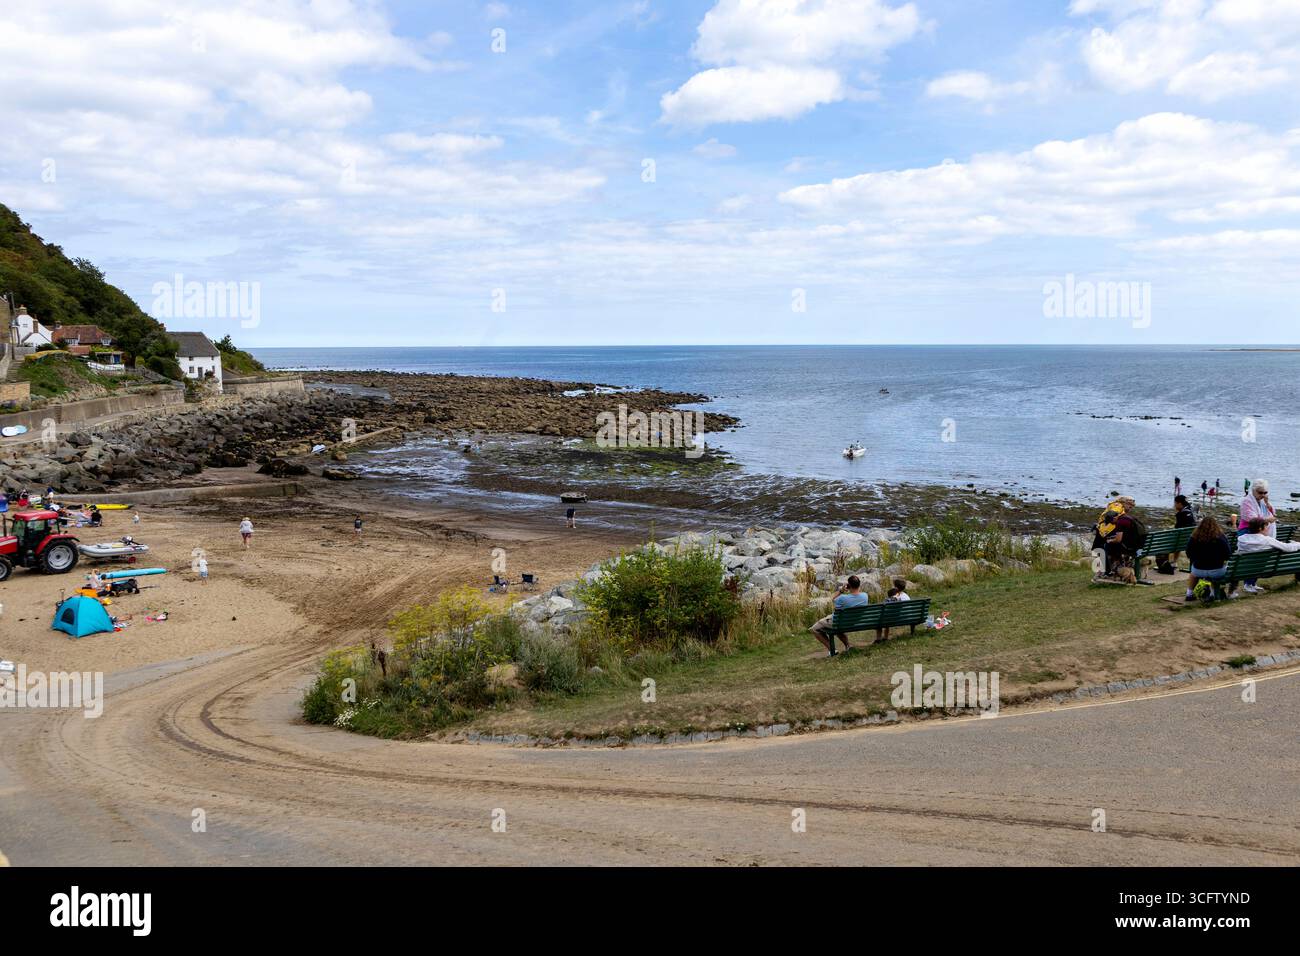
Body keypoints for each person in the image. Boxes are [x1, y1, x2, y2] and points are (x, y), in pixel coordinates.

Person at [1234, 516, 1300, 593]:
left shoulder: (1241, 539)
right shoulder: (1267, 540)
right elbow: (1287, 548)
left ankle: (1250, 584)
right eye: (1266, 527)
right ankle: (1250, 585)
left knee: (1253, 562)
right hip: (1263, 569)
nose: (1267, 528)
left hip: (1242, 568)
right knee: (1257, 563)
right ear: (1260, 528)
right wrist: (1297, 544)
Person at [810, 575, 869, 655]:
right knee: (839, 623)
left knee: (814, 629)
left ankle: (832, 650)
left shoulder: (843, 598)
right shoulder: (865, 596)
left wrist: (841, 591)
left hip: (841, 622)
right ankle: (848, 645)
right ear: (859, 584)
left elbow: (832, 599)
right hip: (855, 621)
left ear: (849, 586)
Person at [1238, 480, 1277, 592]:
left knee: (1260, 558)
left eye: (1265, 492)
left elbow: (1273, 513)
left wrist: (1268, 503)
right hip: (1247, 531)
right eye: (1260, 492)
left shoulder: (1263, 501)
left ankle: (1252, 583)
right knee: (1251, 558)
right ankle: (1247, 584)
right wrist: (1268, 519)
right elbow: (1252, 519)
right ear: (1254, 490)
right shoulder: (1247, 501)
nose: (1263, 495)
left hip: (1260, 531)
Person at [1185, 515, 1233, 602]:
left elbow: (1188, 553)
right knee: (1222, 569)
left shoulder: (1194, 537)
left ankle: (1189, 593)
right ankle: (1213, 593)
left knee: (1193, 574)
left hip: (1198, 569)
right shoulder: (1221, 537)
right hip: (1217, 571)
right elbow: (1228, 554)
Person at [1155, 494, 1197, 575]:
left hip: (1180, 540)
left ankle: (1164, 564)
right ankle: (1174, 562)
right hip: (1187, 540)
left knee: (1163, 542)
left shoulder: (1181, 514)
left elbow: (1177, 529)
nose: (1174, 505)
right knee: (1178, 541)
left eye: (1175, 503)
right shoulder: (1190, 510)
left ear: (1180, 504)